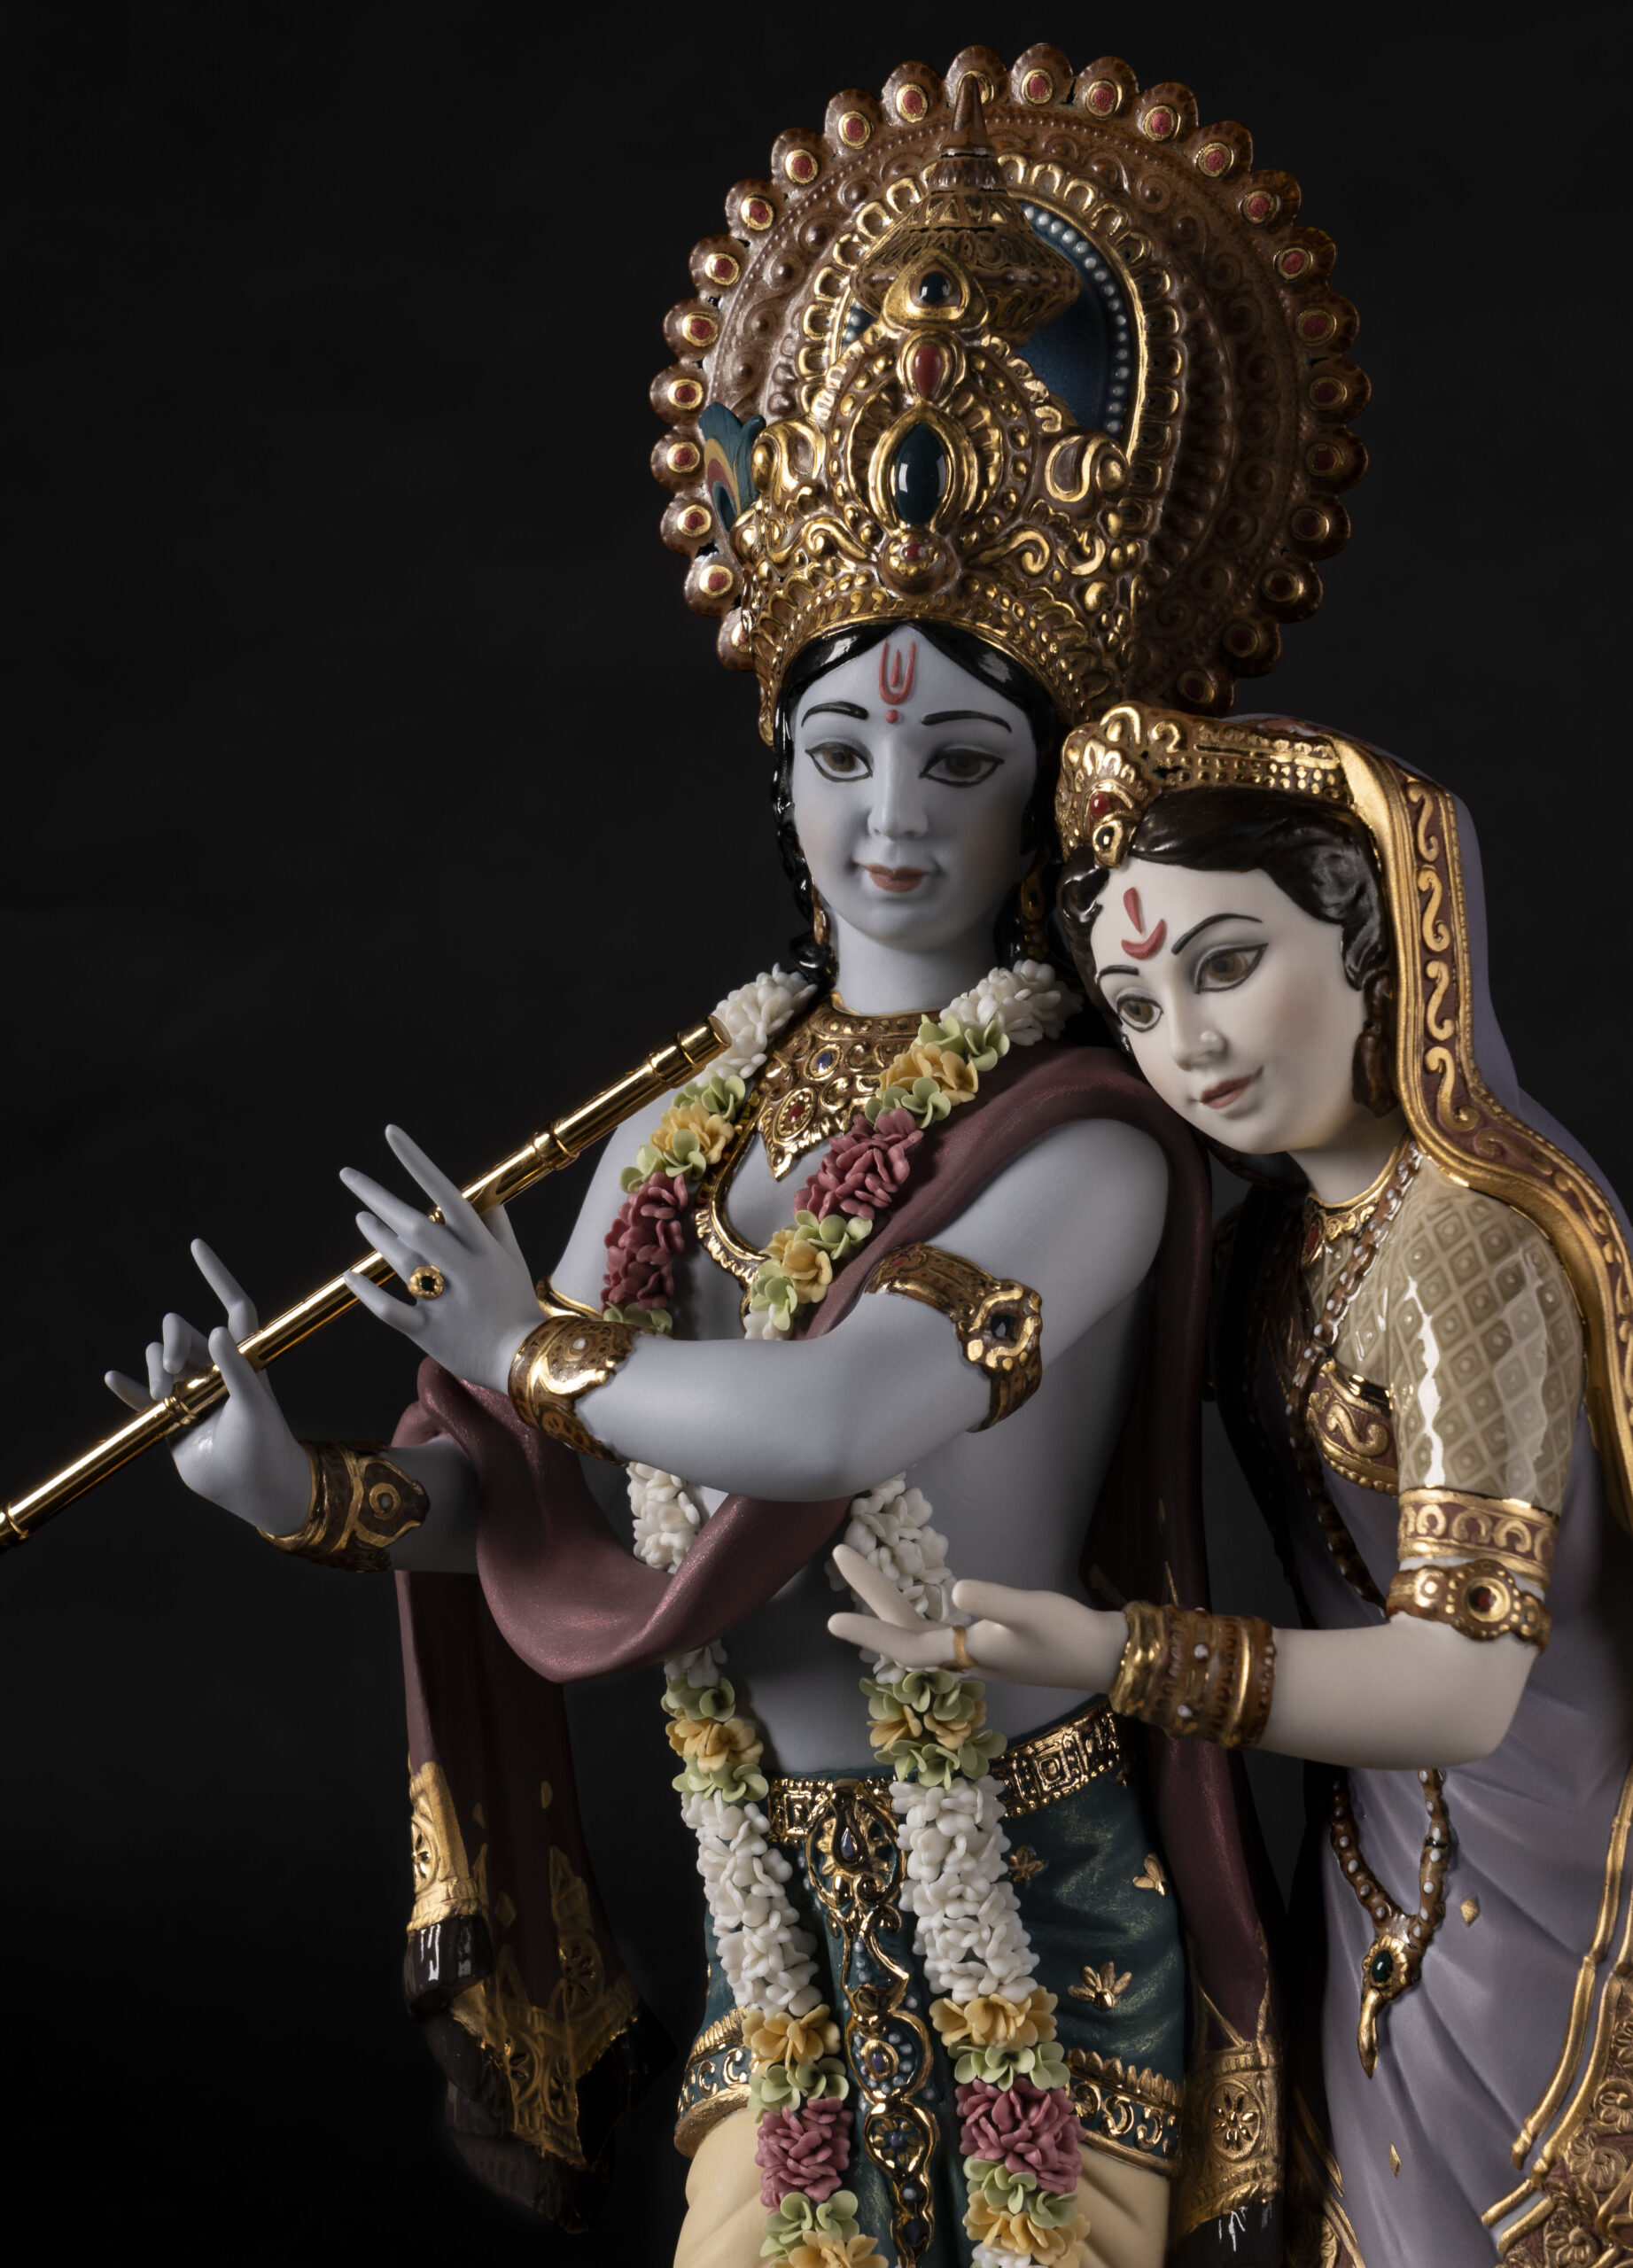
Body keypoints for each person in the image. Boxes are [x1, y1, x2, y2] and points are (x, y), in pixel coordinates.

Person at [92, 46, 1373, 2268]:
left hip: (1037, 1921)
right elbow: (534, 1490)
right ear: (779, 773)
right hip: (772, 1921)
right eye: (840, 751)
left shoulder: (1091, 1136)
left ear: (1048, 789)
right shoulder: (687, 1118)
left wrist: (532, 1340)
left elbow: (842, 1411)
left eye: (957, 762)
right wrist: (300, 1486)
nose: (889, 819)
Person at [830, 698, 1633, 2267]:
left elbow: (1462, 1689)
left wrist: (1112, 1654)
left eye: (1226, 965)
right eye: (1134, 1002)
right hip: (1382, 1862)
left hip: (1551, 1870)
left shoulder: (1468, 1244)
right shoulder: (1275, 1244)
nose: (1185, 1046)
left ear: (1380, 952)